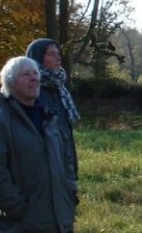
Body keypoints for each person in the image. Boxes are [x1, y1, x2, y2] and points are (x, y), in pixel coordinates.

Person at [0, 56, 77, 232]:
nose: (34, 78)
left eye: (36, 73)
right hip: (23, 224)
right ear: (10, 82)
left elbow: (66, 159)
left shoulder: (49, 117)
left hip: (60, 221)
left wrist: (70, 192)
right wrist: (16, 207)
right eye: (26, 74)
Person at [26, 38, 80, 199]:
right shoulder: (31, 92)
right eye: (51, 54)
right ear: (37, 58)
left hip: (64, 163)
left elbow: (65, 133)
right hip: (41, 171)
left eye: (58, 54)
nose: (58, 58)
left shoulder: (59, 89)